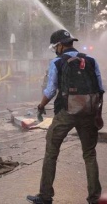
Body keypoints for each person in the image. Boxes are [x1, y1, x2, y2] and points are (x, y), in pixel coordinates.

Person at [27, 29, 104, 204]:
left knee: (51, 153)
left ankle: (45, 196)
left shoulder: (57, 62)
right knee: (90, 154)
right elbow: (100, 88)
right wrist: (96, 113)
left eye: (56, 47)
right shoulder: (91, 60)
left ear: (60, 46)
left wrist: (41, 106)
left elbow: (51, 90)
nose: (55, 50)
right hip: (88, 112)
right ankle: (94, 198)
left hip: (66, 113)